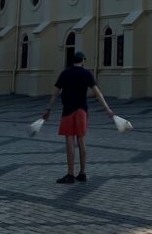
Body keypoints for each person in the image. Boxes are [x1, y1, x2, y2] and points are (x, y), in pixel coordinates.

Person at [42, 50, 113, 183]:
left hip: (68, 111)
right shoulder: (87, 74)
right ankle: (82, 173)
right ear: (83, 61)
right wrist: (107, 109)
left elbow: (55, 93)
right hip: (82, 110)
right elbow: (97, 93)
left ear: (73, 61)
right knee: (81, 140)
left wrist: (48, 109)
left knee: (70, 141)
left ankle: (70, 175)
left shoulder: (65, 73)